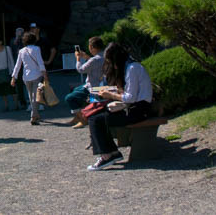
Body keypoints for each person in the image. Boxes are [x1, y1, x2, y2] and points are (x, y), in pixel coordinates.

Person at [87, 43, 154, 171]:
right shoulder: (131, 66)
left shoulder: (132, 68)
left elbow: (130, 98)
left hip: (139, 111)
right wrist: (114, 91)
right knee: (96, 116)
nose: (112, 65)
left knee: (96, 120)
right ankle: (111, 153)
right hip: (135, 108)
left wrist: (110, 95)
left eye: (110, 61)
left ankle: (107, 155)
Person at [66, 36, 105, 126]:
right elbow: (94, 63)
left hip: (93, 87)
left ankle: (83, 119)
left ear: (92, 47)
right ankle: (78, 117)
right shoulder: (105, 56)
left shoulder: (94, 60)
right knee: (75, 90)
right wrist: (86, 57)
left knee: (69, 98)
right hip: (104, 85)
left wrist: (78, 59)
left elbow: (81, 69)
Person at [11, 31, 48, 125]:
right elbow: (40, 62)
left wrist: (14, 77)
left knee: (31, 96)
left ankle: (36, 115)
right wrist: (44, 74)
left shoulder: (21, 51)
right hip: (37, 75)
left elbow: (17, 65)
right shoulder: (37, 49)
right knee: (35, 96)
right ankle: (33, 116)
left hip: (26, 76)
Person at [0, 40, 15, 111]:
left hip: (8, 70)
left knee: (12, 89)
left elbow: (11, 59)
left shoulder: (7, 48)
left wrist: (13, 71)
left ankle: (16, 104)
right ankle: (6, 105)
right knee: (2, 91)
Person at [10, 27, 27, 110]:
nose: (19, 34)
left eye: (21, 32)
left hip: (26, 65)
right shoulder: (13, 41)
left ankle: (33, 100)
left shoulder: (25, 40)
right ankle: (22, 102)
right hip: (17, 64)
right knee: (19, 85)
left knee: (28, 84)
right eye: (18, 32)